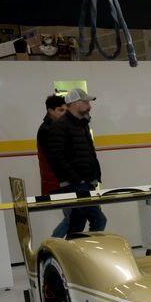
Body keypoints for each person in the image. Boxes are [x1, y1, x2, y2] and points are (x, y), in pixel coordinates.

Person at [47, 88, 106, 236]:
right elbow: (56, 157)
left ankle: (71, 248)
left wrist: (94, 176)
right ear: (74, 104)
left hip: (84, 182)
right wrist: (77, 180)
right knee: (98, 219)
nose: (89, 106)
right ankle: (90, 248)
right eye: (85, 102)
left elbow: (89, 153)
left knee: (76, 223)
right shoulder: (60, 126)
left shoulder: (82, 124)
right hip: (75, 184)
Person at [36, 94, 70, 237]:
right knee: (72, 218)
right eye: (60, 110)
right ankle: (52, 245)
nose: (64, 114)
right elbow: (57, 158)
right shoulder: (48, 130)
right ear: (50, 111)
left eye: (66, 110)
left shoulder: (50, 128)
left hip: (58, 181)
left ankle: (54, 244)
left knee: (72, 218)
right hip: (58, 182)